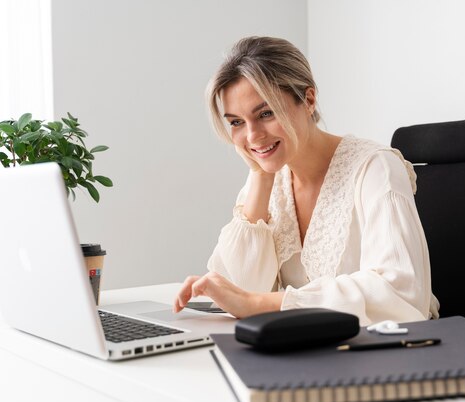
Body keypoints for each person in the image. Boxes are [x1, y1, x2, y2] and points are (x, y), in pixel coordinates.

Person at [173, 36, 439, 325]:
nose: (252, 136)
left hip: (387, 352)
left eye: (266, 113)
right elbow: (236, 294)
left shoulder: (375, 168)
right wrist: (261, 177)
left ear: (309, 100)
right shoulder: (267, 179)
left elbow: (401, 293)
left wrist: (260, 303)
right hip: (303, 347)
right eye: (236, 122)